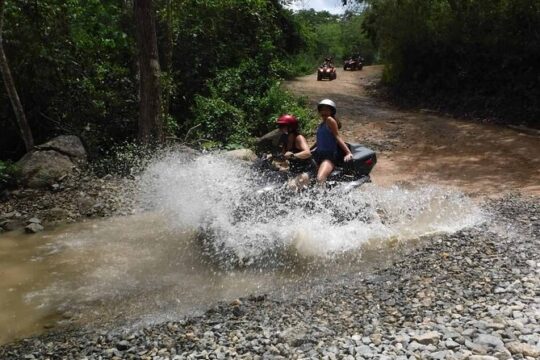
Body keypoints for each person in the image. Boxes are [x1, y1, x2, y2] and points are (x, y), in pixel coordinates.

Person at [313, 99, 352, 184]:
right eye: (322, 110)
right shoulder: (321, 125)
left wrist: (348, 152)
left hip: (329, 156)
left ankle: (322, 197)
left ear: (331, 111)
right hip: (318, 155)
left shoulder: (330, 120)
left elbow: (337, 137)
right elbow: (318, 141)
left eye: (327, 110)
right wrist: (309, 150)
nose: (324, 112)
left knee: (320, 179)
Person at [275, 114, 313, 190]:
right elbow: (283, 157)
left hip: (307, 170)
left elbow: (307, 153)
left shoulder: (299, 138)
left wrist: (293, 155)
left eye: (283, 126)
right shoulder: (285, 139)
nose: (280, 128)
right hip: (295, 170)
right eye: (280, 126)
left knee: (292, 186)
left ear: (291, 127)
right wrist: (274, 158)